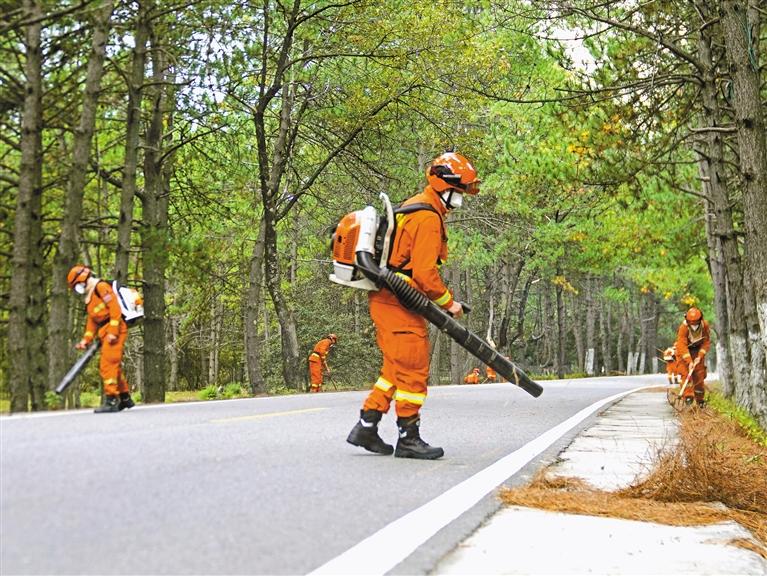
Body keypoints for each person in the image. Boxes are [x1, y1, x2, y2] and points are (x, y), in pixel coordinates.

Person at [346, 151, 480, 460]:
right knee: (413, 370)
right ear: (445, 186)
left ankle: (366, 426)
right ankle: (408, 437)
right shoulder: (427, 217)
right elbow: (424, 274)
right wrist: (450, 304)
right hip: (398, 301)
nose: (461, 198)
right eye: (459, 191)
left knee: (395, 369)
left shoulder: (416, 205)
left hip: (391, 298)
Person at [67, 265, 135, 413]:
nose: (77, 289)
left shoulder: (101, 287)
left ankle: (111, 400)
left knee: (107, 365)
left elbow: (115, 309)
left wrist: (113, 331)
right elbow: (92, 321)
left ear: (82, 280)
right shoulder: (90, 295)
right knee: (113, 366)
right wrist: (86, 340)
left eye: (76, 285)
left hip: (115, 331)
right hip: (105, 332)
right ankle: (125, 398)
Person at [675, 307, 710, 407]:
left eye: (696, 323)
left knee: (699, 375)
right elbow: (681, 345)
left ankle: (700, 400)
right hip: (684, 353)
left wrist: (700, 356)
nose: (694, 326)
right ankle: (688, 398)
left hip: (697, 351)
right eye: (691, 323)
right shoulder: (683, 327)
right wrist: (689, 361)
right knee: (685, 374)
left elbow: (706, 342)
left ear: (700, 319)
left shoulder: (704, 326)